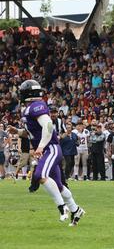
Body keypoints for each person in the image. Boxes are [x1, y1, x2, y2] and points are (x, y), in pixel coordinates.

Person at [7, 80, 84, 226]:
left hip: (51, 148)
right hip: (46, 148)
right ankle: (76, 209)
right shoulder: (29, 109)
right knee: (60, 185)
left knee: (39, 175)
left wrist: (41, 146)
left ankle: (62, 208)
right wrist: (17, 131)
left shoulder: (37, 106)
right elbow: (31, 133)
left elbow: (48, 126)